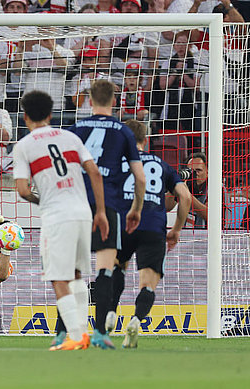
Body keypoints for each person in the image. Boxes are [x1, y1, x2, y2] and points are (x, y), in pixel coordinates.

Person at [13, 90, 109, 351]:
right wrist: (100, 211)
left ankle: (76, 337)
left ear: (24, 117)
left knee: (59, 278)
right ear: (51, 114)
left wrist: (42, 200)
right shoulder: (71, 137)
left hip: (57, 216)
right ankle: (83, 333)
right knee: (76, 275)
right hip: (83, 213)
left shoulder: (24, 145)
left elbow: (22, 190)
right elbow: (95, 174)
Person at [67, 79, 146, 349]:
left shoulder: (75, 129)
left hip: (75, 205)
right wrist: (135, 209)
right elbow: (140, 178)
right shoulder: (124, 131)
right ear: (114, 101)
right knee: (105, 271)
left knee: (72, 270)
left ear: (90, 100)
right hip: (107, 206)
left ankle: (66, 332)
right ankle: (100, 333)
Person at [105, 119, 192, 348]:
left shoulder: (116, 163)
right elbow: (185, 197)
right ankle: (135, 320)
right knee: (148, 284)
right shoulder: (162, 165)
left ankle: (111, 312)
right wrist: (176, 230)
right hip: (153, 226)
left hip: (123, 223)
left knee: (116, 266)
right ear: (146, 140)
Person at [184, 152, 208, 228]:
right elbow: (167, 206)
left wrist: (187, 196)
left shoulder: (216, 188)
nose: (194, 174)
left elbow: (211, 216)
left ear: (207, 171)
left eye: (198, 170)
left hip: (212, 236)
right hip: (187, 235)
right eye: (190, 171)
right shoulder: (186, 185)